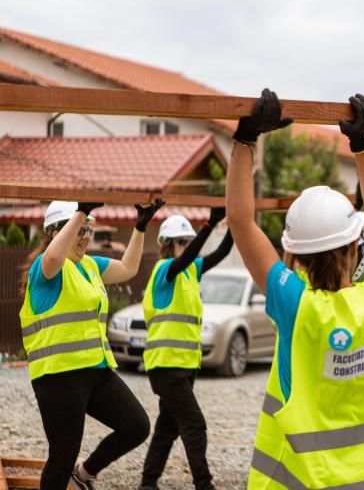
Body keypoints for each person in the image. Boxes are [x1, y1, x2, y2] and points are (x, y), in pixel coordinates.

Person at [226, 89, 364, 489]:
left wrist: (245, 141)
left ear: (293, 254)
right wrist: (362, 145)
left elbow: (240, 222)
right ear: (352, 244)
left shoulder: (296, 304)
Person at [19, 199, 163, 490]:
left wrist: (139, 228)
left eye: (89, 231)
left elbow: (127, 268)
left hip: (96, 372)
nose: (85, 238)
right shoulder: (45, 269)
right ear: (54, 233)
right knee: (62, 456)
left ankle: (84, 474)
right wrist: (81, 212)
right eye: (79, 231)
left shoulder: (89, 266)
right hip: (59, 377)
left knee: (136, 426)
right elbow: (51, 261)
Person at [138, 209, 234, 490]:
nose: (184, 246)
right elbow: (187, 258)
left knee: (167, 428)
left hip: (184, 365)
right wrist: (209, 224)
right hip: (166, 367)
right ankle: (204, 484)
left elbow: (223, 251)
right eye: (180, 242)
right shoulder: (164, 271)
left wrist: (237, 220)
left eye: (186, 241)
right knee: (195, 425)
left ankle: (147, 483)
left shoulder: (192, 271)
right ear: (168, 244)